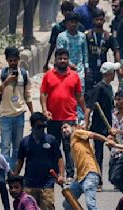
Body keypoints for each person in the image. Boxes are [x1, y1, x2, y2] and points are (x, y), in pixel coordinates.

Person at [13, 112, 65, 210]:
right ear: (32, 126)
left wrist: (61, 175)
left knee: (48, 209)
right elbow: (20, 161)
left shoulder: (51, 140)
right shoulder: (25, 142)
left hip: (47, 182)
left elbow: (59, 158)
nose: (41, 129)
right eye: (39, 126)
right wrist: (14, 176)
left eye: (43, 126)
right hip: (29, 182)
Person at [41, 48, 87, 182]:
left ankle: (70, 174)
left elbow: (79, 96)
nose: (62, 61)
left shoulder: (74, 76)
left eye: (65, 58)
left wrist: (85, 113)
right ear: (55, 60)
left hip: (69, 118)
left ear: (68, 60)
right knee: (53, 147)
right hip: (52, 118)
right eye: (60, 58)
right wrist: (45, 110)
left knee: (69, 147)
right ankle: (55, 173)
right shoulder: (48, 76)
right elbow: (43, 94)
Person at [61, 124, 108, 210]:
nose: (64, 130)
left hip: (90, 173)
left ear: (73, 127)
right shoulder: (72, 142)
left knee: (90, 203)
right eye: (62, 129)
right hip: (80, 177)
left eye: (66, 127)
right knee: (68, 202)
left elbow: (93, 135)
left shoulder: (77, 133)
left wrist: (107, 140)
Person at [0, 47, 33, 169]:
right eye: (10, 60)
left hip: (19, 115)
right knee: (5, 147)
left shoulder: (24, 74)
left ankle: (14, 172)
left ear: (18, 60)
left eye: (15, 60)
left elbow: (28, 95)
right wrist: (6, 81)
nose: (13, 63)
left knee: (17, 146)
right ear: (7, 60)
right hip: (5, 115)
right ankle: (7, 172)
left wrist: (32, 113)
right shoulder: (0, 74)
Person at [85, 62, 120, 190]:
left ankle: (117, 178)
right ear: (110, 74)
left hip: (109, 125)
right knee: (98, 154)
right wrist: (86, 123)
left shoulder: (109, 88)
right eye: (114, 73)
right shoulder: (98, 88)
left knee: (116, 151)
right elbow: (89, 107)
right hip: (99, 126)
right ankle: (98, 182)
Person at [56, 12, 89, 122]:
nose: (73, 24)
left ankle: (79, 119)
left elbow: (85, 53)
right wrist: (69, 64)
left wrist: (86, 67)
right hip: (65, 71)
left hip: (80, 71)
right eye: (71, 22)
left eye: (75, 22)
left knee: (80, 95)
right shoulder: (62, 37)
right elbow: (59, 53)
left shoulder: (82, 36)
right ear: (66, 23)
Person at [85, 9, 121, 100]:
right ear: (93, 20)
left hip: (103, 70)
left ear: (104, 20)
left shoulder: (108, 36)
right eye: (97, 19)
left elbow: (116, 50)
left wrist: (118, 67)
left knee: (103, 92)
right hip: (90, 69)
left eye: (101, 19)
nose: (99, 21)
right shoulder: (87, 35)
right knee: (88, 93)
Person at [43, 1, 86, 73]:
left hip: (77, 64)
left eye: (70, 10)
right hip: (61, 62)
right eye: (66, 11)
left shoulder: (80, 28)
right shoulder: (57, 28)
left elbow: (84, 49)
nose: (68, 13)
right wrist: (47, 62)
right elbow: (52, 46)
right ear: (62, 12)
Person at [108, 91, 123, 190]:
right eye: (115, 99)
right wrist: (110, 137)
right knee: (113, 178)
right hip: (116, 149)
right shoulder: (114, 115)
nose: (116, 102)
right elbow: (112, 130)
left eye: (119, 100)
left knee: (120, 177)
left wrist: (119, 132)